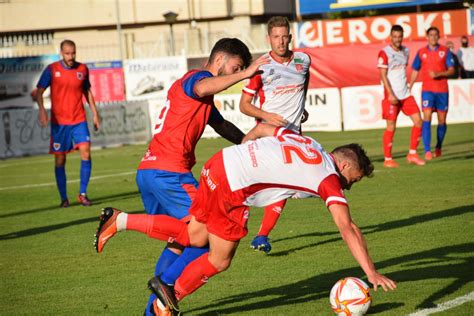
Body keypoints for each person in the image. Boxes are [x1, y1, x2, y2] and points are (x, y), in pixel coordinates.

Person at [95, 123, 397, 315]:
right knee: (220, 258)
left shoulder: (310, 142)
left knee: (196, 236)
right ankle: (168, 298)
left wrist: (246, 149)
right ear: (342, 164)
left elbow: (268, 127)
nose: (346, 186)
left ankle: (119, 221)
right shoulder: (328, 177)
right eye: (351, 179)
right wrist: (370, 273)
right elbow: (347, 227)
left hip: (219, 162)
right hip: (233, 185)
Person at [122, 38, 269, 315]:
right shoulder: (197, 78)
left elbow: (222, 125)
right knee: (208, 237)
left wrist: (250, 142)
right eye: (235, 67)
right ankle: (160, 291)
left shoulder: (199, 97)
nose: (236, 74)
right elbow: (203, 85)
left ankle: (153, 311)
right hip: (170, 173)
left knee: (180, 240)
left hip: (150, 172)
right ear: (219, 60)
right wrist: (246, 74)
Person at [239, 16, 311, 253]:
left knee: (282, 185)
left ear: (290, 37)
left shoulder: (303, 60)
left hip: (294, 134)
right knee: (280, 184)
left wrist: (303, 107)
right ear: (268, 39)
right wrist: (267, 116)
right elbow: (244, 105)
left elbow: (304, 82)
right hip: (269, 134)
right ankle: (256, 232)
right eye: (276, 37)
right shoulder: (260, 67)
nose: (280, 42)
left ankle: (259, 235)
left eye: (284, 36)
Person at [36, 39, 100, 207]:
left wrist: (94, 113)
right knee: (60, 160)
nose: (71, 57)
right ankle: (64, 198)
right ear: (61, 53)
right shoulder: (52, 69)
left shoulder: (82, 69)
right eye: (67, 53)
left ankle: (83, 194)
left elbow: (87, 91)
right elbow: (39, 91)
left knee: (86, 151)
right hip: (59, 123)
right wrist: (42, 110)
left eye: (73, 53)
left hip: (79, 119)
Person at [377, 25, 425, 168]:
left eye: (400, 36)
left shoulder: (406, 51)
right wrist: (390, 93)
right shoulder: (384, 53)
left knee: (418, 121)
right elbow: (383, 75)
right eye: (395, 36)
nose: (397, 39)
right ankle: (388, 159)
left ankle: (412, 154)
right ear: (391, 37)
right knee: (391, 126)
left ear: (402, 37)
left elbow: (402, 72)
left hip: (405, 94)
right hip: (391, 96)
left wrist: (408, 86)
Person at [408, 27, 455, 160]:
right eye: (431, 35)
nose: (433, 37)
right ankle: (427, 150)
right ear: (427, 37)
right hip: (427, 90)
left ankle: (438, 146)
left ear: (438, 36)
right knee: (426, 116)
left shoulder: (445, 51)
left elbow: (452, 70)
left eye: (435, 35)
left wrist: (439, 74)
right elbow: (415, 70)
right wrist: (410, 86)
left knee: (442, 120)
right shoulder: (421, 52)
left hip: (442, 90)